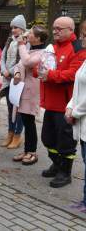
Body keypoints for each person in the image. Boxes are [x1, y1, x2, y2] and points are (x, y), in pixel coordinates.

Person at [39, 16, 86, 188]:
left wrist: (49, 75)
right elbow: (44, 68)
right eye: (54, 28)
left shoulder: (78, 48)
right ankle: (57, 164)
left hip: (66, 105)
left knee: (65, 142)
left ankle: (65, 173)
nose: (55, 31)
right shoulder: (52, 47)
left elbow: (72, 74)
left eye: (59, 28)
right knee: (47, 138)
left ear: (70, 30)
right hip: (51, 102)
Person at [12, 25, 48, 165]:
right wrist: (16, 73)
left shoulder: (42, 53)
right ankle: (27, 150)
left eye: (31, 33)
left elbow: (27, 62)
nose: (28, 35)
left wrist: (21, 44)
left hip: (31, 92)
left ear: (38, 38)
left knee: (29, 122)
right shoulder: (29, 50)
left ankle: (32, 151)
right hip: (22, 90)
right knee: (26, 121)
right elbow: (19, 64)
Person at [66, 20, 86, 211]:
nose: (81, 38)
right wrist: (70, 106)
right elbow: (78, 88)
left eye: (84, 35)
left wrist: (75, 111)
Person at [0, 14, 27, 149]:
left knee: (19, 109)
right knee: (10, 109)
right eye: (12, 27)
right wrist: (4, 70)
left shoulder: (25, 41)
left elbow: (22, 61)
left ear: (22, 28)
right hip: (7, 79)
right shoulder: (10, 40)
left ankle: (17, 135)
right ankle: (10, 133)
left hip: (18, 80)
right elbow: (2, 57)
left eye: (16, 27)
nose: (13, 30)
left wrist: (9, 71)